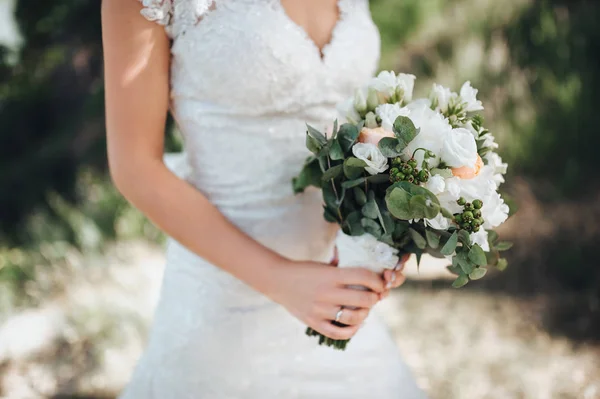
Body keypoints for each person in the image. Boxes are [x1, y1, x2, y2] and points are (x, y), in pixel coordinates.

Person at [101, 0, 425, 397]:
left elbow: (349, 126)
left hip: (338, 295)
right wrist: (280, 279)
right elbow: (135, 168)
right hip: (223, 306)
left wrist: (384, 231)